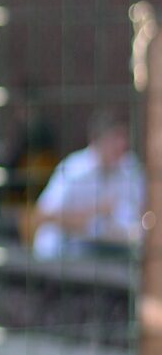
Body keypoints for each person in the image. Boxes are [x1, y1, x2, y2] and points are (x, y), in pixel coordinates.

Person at [32, 110, 146, 259]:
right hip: (64, 253)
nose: (121, 144)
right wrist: (94, 212)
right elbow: (41, 215)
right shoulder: (73, 169)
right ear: (96, 140)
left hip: (113, 251)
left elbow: (143, 213)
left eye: (124, 137)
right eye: (114, 138)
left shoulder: (131, 168)